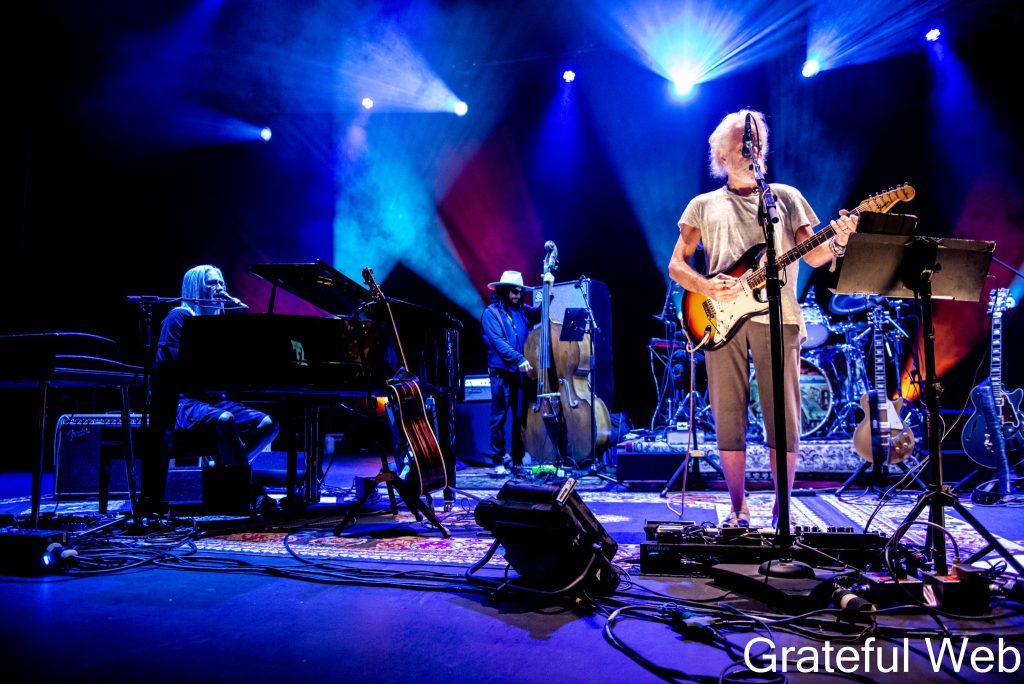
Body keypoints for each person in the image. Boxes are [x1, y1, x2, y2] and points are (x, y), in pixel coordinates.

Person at [668, 109, 858, 528]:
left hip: (780, 315)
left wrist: (839, 241)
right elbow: (676, 265)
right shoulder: (702, 205)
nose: (749, 148)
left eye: (754, 142)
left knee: (783, 415)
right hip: (718, 319)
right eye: (740, 142)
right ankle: (738, 507)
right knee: (728, 415)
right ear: (721, 153)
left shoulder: (785, 197)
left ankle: (781, 508)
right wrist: (705, 286)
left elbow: (814, 255)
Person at [148, 264, 279, 510]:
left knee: (268, 424)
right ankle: (251, 490)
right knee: (225, 419)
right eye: (211, 283)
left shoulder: (218, 323)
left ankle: (228, 472)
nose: (219, 287)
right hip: (181, 401)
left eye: (221, 282)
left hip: (212, 400)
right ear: (195, 287)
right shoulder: (180, 316)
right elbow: (173, 362)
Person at [480, 269, 553, 470]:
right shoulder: (491, 313)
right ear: (503, 291)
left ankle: (517, 456)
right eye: (514, 291)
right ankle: (498, 459)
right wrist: (519, 358)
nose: (518, 295)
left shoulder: (522, 310)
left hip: (519, 374)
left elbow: (541, 312)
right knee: (499, 417)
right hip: (501, 372)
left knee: (520, 416)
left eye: (520, 292)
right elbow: (499, 342)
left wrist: (549, 287)